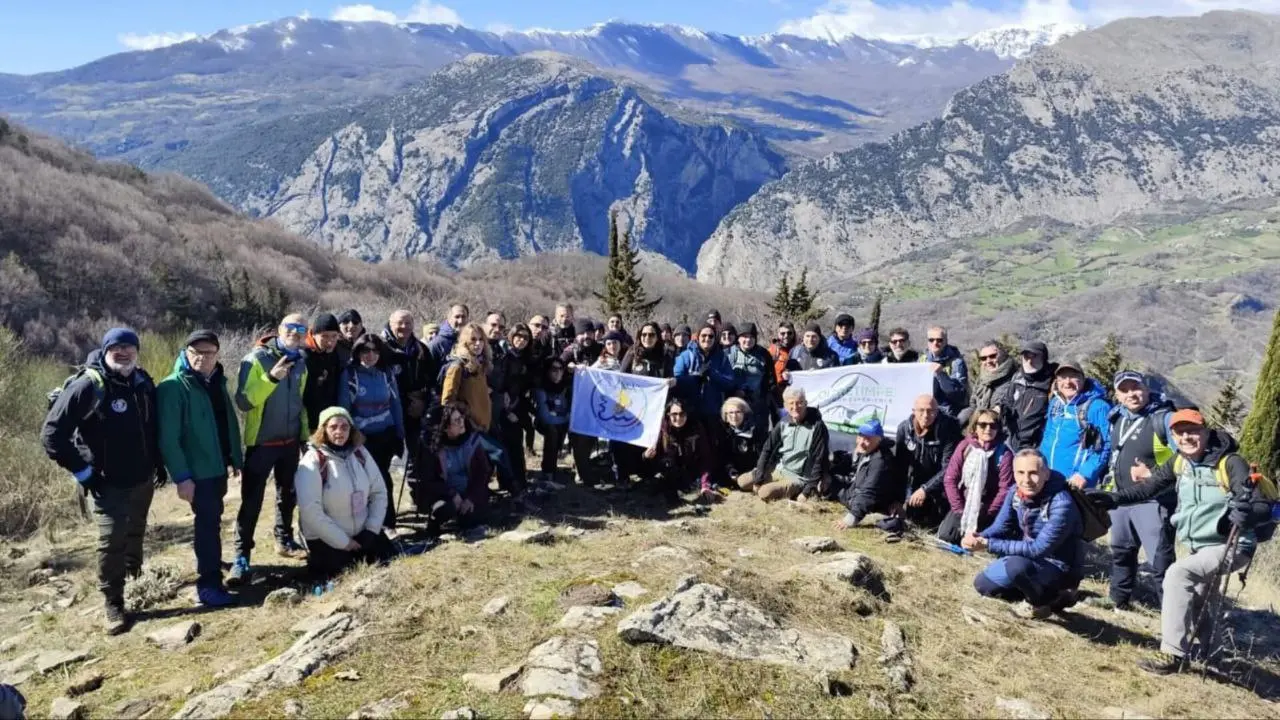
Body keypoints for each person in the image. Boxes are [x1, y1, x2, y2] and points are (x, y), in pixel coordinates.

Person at [1088, 409, 1275, 674]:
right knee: (1199, 595)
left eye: (1193, 431)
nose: (1186, 437)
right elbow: (1149, 488)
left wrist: (1246, 513)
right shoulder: (1180, 461)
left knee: (1178, 574)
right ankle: (1213, 655)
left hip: (1233, 545)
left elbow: (1260, 506)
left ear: (1206, 432)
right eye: (1179, 432)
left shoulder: (1230, 463)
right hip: (1200, 546)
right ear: (1173, 437)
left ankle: (1173, 654)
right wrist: (1114, 498)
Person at [42, 328, 164, 634]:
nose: (123, 352)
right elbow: (52, 435)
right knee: (111, 542)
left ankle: (134, 578)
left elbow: (151, 427)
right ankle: (113, 603)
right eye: (116, 347)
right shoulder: (89, 385)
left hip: (142, 477)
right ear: (106, 350)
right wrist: (83, 472)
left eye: (129, 347)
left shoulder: (143, 382)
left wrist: (159, 463)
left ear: (137, 351)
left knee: (136, 530)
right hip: (106, 482)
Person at [156, 330, 242, 608]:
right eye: (196, 352)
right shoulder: (173, 387)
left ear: (217, 355)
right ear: (186, 353)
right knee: (206, 525)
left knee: (213, 521)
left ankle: (212, 565)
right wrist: (182, 477)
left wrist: (234, 458)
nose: (202, 358)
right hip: (197, 472)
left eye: (209, 353)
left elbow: (225, 423)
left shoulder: (216, 381)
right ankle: (208, 585)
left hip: (217, 467)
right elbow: (168, 438)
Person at [233, 313, 310, 584]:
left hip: (289, 442)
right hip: (262, 442)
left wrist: (304, 436)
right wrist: (271, 378)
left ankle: (284, 539)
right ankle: (241, 556)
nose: (296, 332)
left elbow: (299, 403)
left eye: (302, 329)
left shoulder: (301, 363)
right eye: (291, 327)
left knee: (287, 494)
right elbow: (243, 401)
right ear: (279, 329)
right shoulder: (255, 359)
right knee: (251, 501)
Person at [966, 449, 1084, 619]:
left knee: (1015, 567)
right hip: (1028, 559)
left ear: (1046, 474)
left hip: (1058, 566)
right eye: (1020, 473)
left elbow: (1038, 549)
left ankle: (1045, 601)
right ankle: (1044, 596)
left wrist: (988, 545)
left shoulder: (1062, 503)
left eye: (1033, 473)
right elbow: (1002, 527)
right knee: (983, 585)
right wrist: (978, 537)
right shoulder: (1015, 492)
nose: (1026, 480)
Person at [1100, 370, 1177, 610]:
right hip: (1122, 499)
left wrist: (1153, 474)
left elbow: (1184, 457)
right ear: (1117, 395)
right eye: (1124, 390)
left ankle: (1173, 614)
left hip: (1154, 501)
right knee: (1121, 553)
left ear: (1146, 389)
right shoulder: (1117, 418)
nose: (1131, 394)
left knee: (1160, 562)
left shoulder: (1163, 419)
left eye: (1136, 388)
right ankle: (1118, 601)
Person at [295, 407, 394, 581]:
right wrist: (344, 542)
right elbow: (311, 512)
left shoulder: (360, 453)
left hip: (363, 533)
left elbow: (379, 492)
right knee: (346, 576)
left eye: (344, 427)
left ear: (351, 429)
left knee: (389, 564)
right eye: (333, 427)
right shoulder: (312, 461)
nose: (339, 432)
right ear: (323, 430)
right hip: (327, 539)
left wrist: (371, 529)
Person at [337, 334, 404, 530]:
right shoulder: (350, 375)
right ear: (358, 352)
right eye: (366, 350)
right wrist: (352, 435)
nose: (371, 355)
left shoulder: (386, 373)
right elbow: (344, 407)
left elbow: (395, 404)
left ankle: (388, 523)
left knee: (383, 478)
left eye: (375, 351)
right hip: (362, 438)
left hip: (385, 434)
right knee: (364, 481)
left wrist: (400, 434)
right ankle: (365, 524)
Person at [382, 309, 435, 503]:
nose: (404, 327)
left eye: (408, 323)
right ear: (390, 323)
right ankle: (384, 507)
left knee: (418, 458)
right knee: (384, 462)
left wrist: (423, 401)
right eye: (399, 323)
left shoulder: (421, 349)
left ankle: (419, 499)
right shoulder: (381, 349)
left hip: (415, 414)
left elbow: (432, 381)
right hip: (388, 414)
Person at [740, 387, 830, 501]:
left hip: (798, 477)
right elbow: (767, 449)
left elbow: (819, 459)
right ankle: (773, 484)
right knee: (742, 481)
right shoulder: (783, 423)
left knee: (764, 492)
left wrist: (808, 491)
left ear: (806, 403)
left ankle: (798, 489)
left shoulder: (817, 426)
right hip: (779, 469)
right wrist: (759, 477)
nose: (795, 407)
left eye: (799, 403)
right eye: (791, 403)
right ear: (785, 405)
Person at [939, 408, 1013, 545]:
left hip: (989, 505)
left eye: (993, 425)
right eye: (983, 425)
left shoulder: (1005, 454)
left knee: (979, 543)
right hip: (964, 501)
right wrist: (958, 509)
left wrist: (989, 512)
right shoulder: (965, 446)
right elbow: (950, 479)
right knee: (947, 537)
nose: (988, 429)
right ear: (975, 427)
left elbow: (1005, 488)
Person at [417, 402, 492, 534]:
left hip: (468, 493)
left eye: (461, 417)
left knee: (472, 517)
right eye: (456, 420)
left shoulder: (472, 441)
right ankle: (435, 523)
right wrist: (451, 493)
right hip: (445, 495)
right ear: (446, 428)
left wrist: (470, 498)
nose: (462, 421)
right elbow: (428, 480)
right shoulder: (433, 448)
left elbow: (483, 473)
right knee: (444, 509)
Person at [1039, 360, 1112, 489]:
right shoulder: (1056, 403)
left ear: (1083, 379)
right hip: (1049, 477)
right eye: (1062, 377)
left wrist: (1085, 474)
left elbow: (1106, 445)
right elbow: (1048, 436)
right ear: (1057, 381)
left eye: (1073, 376)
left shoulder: (1097, 407)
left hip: (1076, 482)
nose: (1067, 382)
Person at [894, 394, 961, 532]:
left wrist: (926, 489)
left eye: (931, 411)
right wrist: (898, 500)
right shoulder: (904, 429)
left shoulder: (949, 428)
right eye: (921, 410)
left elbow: (949, 468)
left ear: (937, 411)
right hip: (917, 481)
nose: (926, 415)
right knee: (911, 520)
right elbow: (900, 468)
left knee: (939, 527)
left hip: (942, 485)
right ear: (913, 411)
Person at [643, 398, 717, 504]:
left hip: (690, 472)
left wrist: (705, 484)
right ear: (668, 415)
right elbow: (650, 461)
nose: (678, 418)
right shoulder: (660, 430)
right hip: (667, 471)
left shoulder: (696, 428)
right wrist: (646, 456)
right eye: (674, 414)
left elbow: (706, 458)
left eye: (682, 414)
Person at [834, 419, 899, 529]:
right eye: (860, 436)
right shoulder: (869, 450)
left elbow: (869, 492)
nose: (861, 442)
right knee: (829, 479)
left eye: (867, 439)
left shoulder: (880, 461)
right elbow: (856, 474)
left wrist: (851, 518)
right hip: (855, 494)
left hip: (871, 505)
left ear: (879, 440)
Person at [673, 325, 736, 426]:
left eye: (711, 336)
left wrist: (712, 374)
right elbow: (677, 381)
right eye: (704, 335)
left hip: (713, 413)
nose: (707, 339)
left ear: (715, 339)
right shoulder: (686, 356)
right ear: (698, 337)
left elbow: (730, 383)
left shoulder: (722, 358)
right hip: (689, 412)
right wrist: (696, 378)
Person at [502, 323, 537, 478]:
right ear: (512, 336)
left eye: (525, 338)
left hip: (520, 402)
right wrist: (507, 408)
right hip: (505, 404)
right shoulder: (505, 356)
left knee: (521, 436)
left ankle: (520, 474)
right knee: (510, 440)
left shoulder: (526, 358)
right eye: (518, 336)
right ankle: (511, 477)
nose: (521, 340)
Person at [1006, 341, 1055, 450]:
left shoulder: (1053, 382)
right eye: (1026, 356)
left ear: (1044, 358)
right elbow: (1007, 402)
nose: (1029, 361)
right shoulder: (1017, 378)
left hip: (1036, 446)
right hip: (1012, 441)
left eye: (1034, 356)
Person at [303, 313, 344, 433]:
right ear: (313, 334)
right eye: (324, 336)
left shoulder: (334, 353)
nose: (330, 341)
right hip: (309, 423)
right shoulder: (304, 356)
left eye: (334, 336)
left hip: (330, 419)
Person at [533, 359, 572, 481]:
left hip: (563, 421)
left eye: (561, 369)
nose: (558, 372)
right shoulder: (541, 388)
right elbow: (545, 416)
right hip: (544, 422)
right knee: (552, 432)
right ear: (548, 371)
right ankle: (548, 471)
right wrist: (565, 418)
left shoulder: (567, 386)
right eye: (554, 369)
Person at [726, 323, 775, 421]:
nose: (748, 340)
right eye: (744, 336)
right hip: (735, 405)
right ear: (738, 338)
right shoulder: (729, 353)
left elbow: (771, 380)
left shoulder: (763, 354)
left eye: (751, 337)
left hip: (758, 404)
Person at [964, 340, 1016, 426]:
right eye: (983, 358)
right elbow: (973, 405)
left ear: (1003, 355)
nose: (988, 361)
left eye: (992, 356)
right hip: (980, 426)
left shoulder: (1015, 379)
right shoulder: (981, 379)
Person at [921, 326, 969, 418]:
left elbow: (958, 394)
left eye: (939, 340)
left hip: (948, 412)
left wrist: (941, 374)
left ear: (946, 341)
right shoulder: (922, 360)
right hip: (926, 410)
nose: (935, 343)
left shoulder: (956, 362)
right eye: (931, 340)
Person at [719, 397, 768, 488]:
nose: (734, 416)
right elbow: (724, 457)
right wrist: (730, 470)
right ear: (726, 416)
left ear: (744, 414)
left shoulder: (756, 431)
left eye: (738, 412)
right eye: (730, 413)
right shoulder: (724, 434)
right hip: (735, 475)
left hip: (756, 471)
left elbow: (763, 455)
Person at [768, 322, 797, 413]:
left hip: (797, 391)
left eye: (789, 333)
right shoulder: (773, 350)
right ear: (778, 334)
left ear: (794, 333)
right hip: (779, 393)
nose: (786, 336)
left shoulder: (800, 348)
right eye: (782, 333)